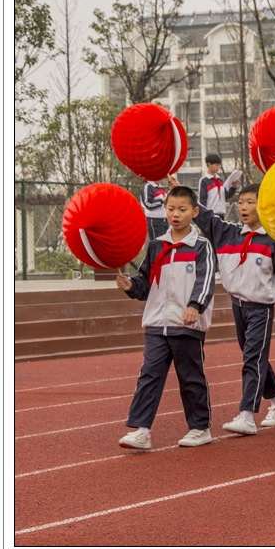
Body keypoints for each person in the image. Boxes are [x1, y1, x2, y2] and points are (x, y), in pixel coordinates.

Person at [191, 183, 275, 436]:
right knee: (255, 357)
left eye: (250, 202)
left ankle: (246, 415)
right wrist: (188, 197)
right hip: (237, 306)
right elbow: (206, 217)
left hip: (261, 309)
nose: (244, 207)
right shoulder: (228, 233)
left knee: (253, 358)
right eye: (241, 202)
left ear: (263, 206)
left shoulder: (273, 239)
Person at [115, 186, 216, 450]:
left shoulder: (201, 246)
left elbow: (206, 282)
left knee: (190, 376)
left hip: (186, 325)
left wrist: (195, 306)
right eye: (170, 209)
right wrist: (131, 286)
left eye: (182, 210)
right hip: (157, 323)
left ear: (194, 212)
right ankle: (141, 430)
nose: (175, 214)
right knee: (149, 374)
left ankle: (199, 427)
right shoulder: (156, 245)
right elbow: (146, 281)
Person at [198, 152, 239, 218]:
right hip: (211, 215)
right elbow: (202, 200)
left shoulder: (219, 179)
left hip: (221, 215)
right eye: (216, 165)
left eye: (219, 165)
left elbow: (225, 196)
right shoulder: (204, 181)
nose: (218, 167)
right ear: (209, 164)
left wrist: (233, 187)